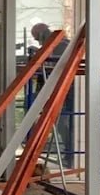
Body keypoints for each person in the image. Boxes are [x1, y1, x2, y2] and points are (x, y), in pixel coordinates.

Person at [30, 23, 74, 166]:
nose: (37, 41)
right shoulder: (56, 44)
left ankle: (70, 152)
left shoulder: (60, 46)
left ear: (41, 34)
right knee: (60, 122)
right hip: (59, 88)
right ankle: (69, 152)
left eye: (37, 38)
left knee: (63, 122)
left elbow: (52, 66)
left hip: (65, 89)